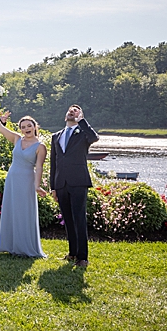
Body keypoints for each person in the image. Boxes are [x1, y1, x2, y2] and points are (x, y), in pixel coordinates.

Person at [0, 99, 47, 258]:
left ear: (35, 127)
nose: (26, 129)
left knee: (24, 212)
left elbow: (39, 167)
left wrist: (37, 186)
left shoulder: (40, 146)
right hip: (12, 178)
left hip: (27, 180)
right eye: (23, 126)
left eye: (29, 126)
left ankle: (26, 247)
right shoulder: (17, 139)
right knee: (11, 210)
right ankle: (10, 245)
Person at [50, 104, 99, 268]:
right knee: (68, 219)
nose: (72, 112)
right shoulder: (56, 136)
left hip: (78, 182)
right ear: (65, 116)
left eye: (76, 111)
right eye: (70, 111)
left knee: (79, 219)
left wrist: (81, 121)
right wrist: (53, 187)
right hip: (61, 183)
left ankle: (82, 257)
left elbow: (94, 137)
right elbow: (54, 163)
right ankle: (72, 253)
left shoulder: (83, 134)